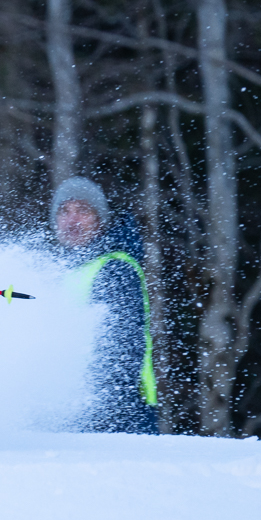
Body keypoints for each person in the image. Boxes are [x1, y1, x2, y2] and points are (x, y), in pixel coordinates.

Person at [51, 176, 160, 435]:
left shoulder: (115, 268)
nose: (72, 220)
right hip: (72, 412)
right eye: (64, 211)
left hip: (119, 415)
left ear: (100, 220)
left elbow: (123, 347)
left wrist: (103, 410)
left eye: (82, 210)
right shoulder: (60, 272)